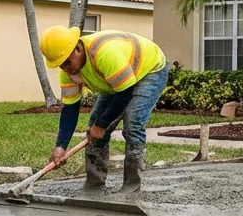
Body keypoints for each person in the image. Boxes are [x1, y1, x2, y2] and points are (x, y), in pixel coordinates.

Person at [39, 25, 168, 195]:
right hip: (117, 80)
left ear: (77, 48)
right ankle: (94, 184)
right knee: (94, 127)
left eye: (67, 62)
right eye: (61, 65)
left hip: (149, 70)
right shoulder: (68, 73)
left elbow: (125, 93)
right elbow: (70, 108)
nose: (66, 68)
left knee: (132, 125)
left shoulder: (105, 53)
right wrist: (60, 146)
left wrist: (102, 125)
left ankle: (131, 186)